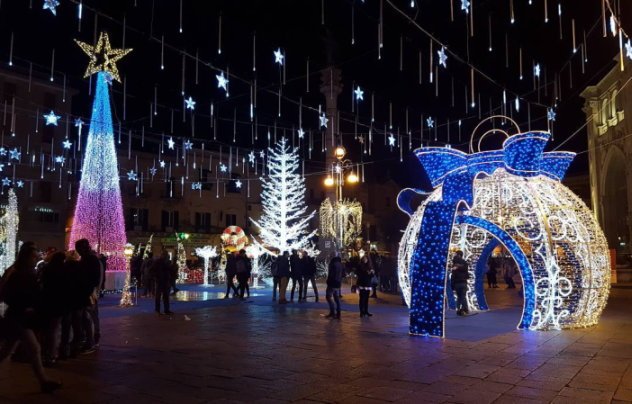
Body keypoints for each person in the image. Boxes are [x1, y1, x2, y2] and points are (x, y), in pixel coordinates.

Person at [0, 244, 62, 393]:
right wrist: (25, 304)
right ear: (26, 257)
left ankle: (44, 382)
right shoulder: (17, 274)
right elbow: (8, 295)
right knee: (34, 348)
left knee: (7, 351)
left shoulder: (30, 273)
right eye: (34, 257)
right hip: (17, 317)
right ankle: (43, 382)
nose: (36, 259)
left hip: (21, 317)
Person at [39, 251, 68, 367]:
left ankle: (45, 353)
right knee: (54, 330)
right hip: (58, 302)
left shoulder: (46, 269)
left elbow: (42, 284)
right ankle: (51, 355)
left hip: (47, 301)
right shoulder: (64, 270)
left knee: (46, 330)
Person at [75, 239, 102, 353]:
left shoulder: (90, 259)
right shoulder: (87, 259)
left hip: (89, 292)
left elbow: (94, 278)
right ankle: (90, 339)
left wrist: (91, 289)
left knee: (88, 316)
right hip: (87, 292)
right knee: (88, 316)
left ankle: (91, 341)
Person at [59, 250, 84, 360]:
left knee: (66, 325)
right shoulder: (80, 267)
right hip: (77, 300)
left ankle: (64, 349)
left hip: (66, 300)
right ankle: (75, 349)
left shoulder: (63, 267)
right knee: (77, 325)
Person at [451, 251, 470, 316]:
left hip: (457, 283)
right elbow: (466, 271)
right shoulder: (465, 263)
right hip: (463, 282)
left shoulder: (454, 264)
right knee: (463, 296)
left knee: (459, 297)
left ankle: (458, 309)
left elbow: (453, 275)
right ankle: (465, 309)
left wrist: (452, 284)